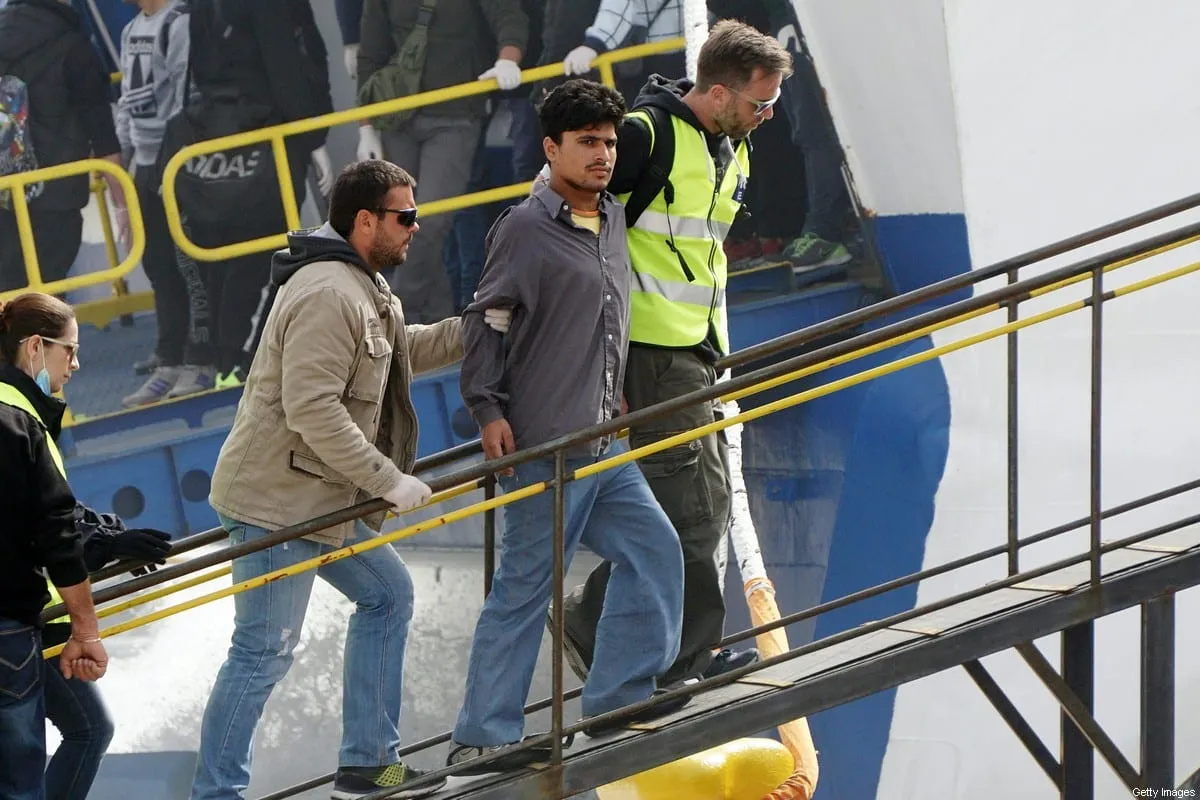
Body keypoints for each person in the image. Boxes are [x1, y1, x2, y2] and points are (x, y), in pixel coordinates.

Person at [191, 160, 463, 800]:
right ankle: (216, 794)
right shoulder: (329, 293)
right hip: (278, 505)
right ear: (365, 221)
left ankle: (369, 767)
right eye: (405, 217)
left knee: (388, 596)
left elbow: (403, 351)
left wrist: (477, 331)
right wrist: (388, 479)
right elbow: (312, 406)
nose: (415, 229)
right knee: (263, 652)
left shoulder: (361, 283)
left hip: (316, 502)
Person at [449, 79, 685, 774]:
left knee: (656, 551)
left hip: (606, 441)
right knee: (524, 589)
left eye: (610, 142)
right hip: (548, 447)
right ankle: (479, 738)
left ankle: (615, 701)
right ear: (551, 149)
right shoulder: (524, 227)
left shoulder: (611, 216)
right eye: (588, 142)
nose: (603, 155)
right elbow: (486, 320)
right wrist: (487, 410)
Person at [560, 19, 792, 688]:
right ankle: (678, 656)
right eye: (759, 102)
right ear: (719, 93)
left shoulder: (732, 150)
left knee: (697, 507)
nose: (768, 115)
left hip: (698, 352)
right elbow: (573, 232)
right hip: (649, 353)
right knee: (694, 510)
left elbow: (701, 258)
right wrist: (606, 360)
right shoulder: (643, 136)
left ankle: (602, 622)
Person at [356, 0, 529, 324]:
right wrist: (366, 128)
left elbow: (508, 16)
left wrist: (508, 59)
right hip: (397, 118)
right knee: (401, 224)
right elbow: (370, 54)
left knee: (429, 222)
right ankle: (435, 328)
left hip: (457, 116)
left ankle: (390, 316)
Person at [0, 292, 109, 799]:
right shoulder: (19, 419)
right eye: (71, 350)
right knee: (21, 778)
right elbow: (52, 530)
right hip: (9, 627)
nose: (76, 364)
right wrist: (84, 627)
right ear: (36, 347)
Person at [0, 0, 129, 293]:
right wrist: (123, 205)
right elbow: (103, 136)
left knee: (7, 292)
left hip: (4, 192)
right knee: (47, 298)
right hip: (56, 196)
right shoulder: (75, 48)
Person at [115, 0, 194, 406]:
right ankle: (170, 358)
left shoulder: (179, 22)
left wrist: (171, 163)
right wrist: (128, 167)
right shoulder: (131, 30)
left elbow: (182, 98)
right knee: (159, 267)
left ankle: (195, 359)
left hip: (175, 162)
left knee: (189, 264)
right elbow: (129, 99)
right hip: (144, 167)